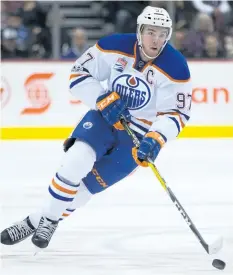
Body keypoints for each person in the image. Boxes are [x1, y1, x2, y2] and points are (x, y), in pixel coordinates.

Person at [0, 6, 192, 249]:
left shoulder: (176, 66)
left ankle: (32, 222)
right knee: (75, 161)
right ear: (139, 31)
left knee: (83, 192)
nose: (156, 39)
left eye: (162, 33)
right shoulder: (115, 45)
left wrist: (156, 137)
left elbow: (177, 113)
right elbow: (78, 74)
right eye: (151, 32)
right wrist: (103, 98)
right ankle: (49, 221)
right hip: (104, 118)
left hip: (138, 136)